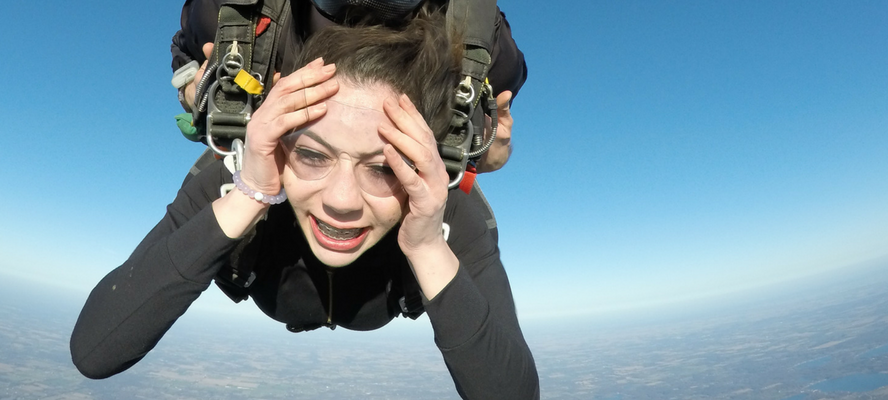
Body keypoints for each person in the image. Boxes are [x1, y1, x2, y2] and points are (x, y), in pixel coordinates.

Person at [70, 10, 538, 399]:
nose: (340, 202)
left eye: (383, 169)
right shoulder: (243, 173)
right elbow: (95, 350)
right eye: (312, 155)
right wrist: (250, 194)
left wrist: (428, 245)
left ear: (422, 164)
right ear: (278, 144)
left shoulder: (438, 206)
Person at [171, 0, 526, 173]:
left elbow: (493, 137)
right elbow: (185, 55)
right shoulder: (235, 10)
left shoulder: (476, 34)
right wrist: (198, 92)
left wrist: (489, 152)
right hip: (264, 239)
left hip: (394, 260)